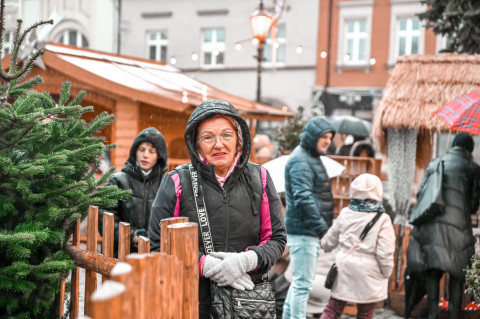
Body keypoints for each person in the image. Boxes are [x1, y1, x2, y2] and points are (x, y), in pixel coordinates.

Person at [148, 100, 286, 318]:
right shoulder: (176, 181)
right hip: (191, 301)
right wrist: (206, 265)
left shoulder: (259, 178)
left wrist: (245, 262)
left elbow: (276, 239)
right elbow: (158, 246)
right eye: (208, 137)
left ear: (239, 141)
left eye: (226, 135)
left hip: (247, 301)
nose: (218, 144)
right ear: (196, 144)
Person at [406, 133, 480, 319]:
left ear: (453, 145)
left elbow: (422, 193)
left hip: (433, 226)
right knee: (456, 272)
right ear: (469, 149)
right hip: (459, 229)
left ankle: (433, 314)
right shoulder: (473, 169)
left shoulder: (436, 163)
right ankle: (453, 314)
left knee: (433, 269)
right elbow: (473, 205)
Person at [319, 173, 395, 319]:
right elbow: (385, 252)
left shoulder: (346, 213)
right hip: (368, 273)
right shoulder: (383, 219)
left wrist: (324, 244)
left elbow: (329, 241)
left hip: (344, 268)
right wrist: (386, 272)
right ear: (378, 192)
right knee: (365, 314)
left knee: (333, 309)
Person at [282, 117, 336, 319]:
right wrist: (323, 228)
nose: (327, 141)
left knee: (299, 284)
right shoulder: (301, 160)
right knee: (302, 285)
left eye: (330, 137)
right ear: (313, 137)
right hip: (305, 232)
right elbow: (303, 197)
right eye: (324, 136)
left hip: (305, 231)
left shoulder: (309, 157)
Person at [99, 127, 168, 255]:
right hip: (119, 256)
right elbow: (104, 220)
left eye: (152, 151)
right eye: (141, 149)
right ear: (135, 151)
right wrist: (132, 236)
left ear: (159, 156)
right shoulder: (117, 181)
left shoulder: (167, 184)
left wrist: (154, 238)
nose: (145, 155)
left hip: (155, 257)